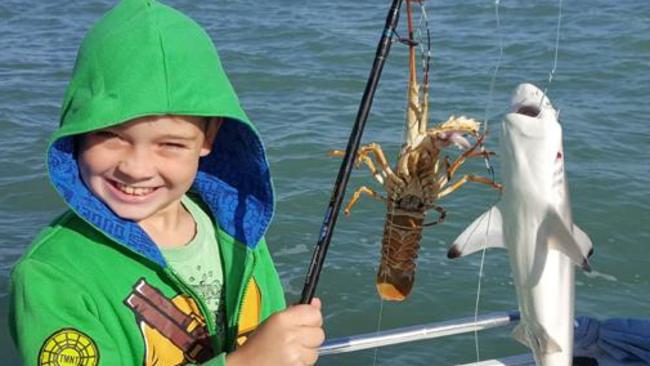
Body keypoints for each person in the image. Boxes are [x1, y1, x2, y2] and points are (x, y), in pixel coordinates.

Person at [8, 0, 324, 365]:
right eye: (111, 135)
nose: (137, 168)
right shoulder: (51, 277)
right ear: (76, 133)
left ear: (209, 138)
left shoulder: (237, 224)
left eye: (170, 144)